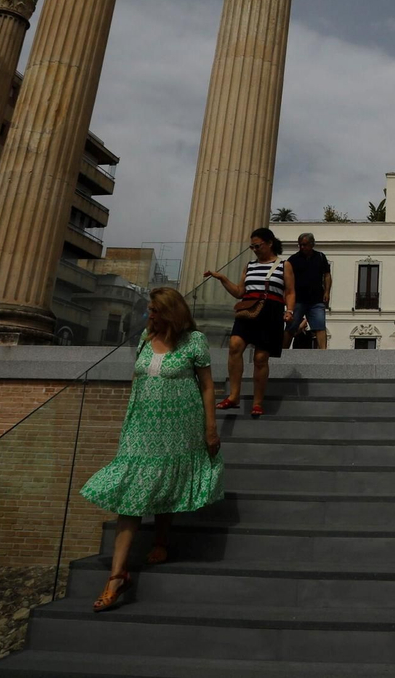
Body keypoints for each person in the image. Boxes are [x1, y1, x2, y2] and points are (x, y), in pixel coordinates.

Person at [80, 286, 222, 613]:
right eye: (149, 310)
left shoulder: (194, 342)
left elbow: (207, 385)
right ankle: (117, 575)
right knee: (131, 490)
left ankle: (160, 541)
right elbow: (138, 379)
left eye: (156, 311)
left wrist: (210, 428)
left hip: (179, 423)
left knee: (166, 478)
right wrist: (130, 418)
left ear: (171, 312)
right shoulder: (144, 338)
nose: (150, 316)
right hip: (142, 425)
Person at [205, 227, 294, 419]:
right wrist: (221, 278)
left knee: (261, 358)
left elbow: (290, 291)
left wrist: (290, 311)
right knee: (235, 345)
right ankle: (234, 396)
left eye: (257, 245)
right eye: (252, 246)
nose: (254, 249)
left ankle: (257, 402)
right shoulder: (250, 266)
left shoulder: (284, 265)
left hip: (271, 311)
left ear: (269, 243)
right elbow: (239, 292)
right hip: (248, 310)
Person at [285, 233, 331, 350]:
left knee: (320, 327)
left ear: (312, 244)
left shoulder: (320, 257)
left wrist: (327, 292)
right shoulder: (293, 259)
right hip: (298, 299)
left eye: (304, 245)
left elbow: (327, 275)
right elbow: (287, 279)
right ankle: (282, 352)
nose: (302, 247)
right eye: (300, 245)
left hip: (316, 299)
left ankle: (323, 353)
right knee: (291, 327)